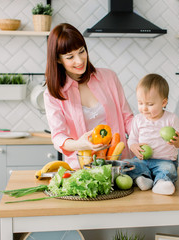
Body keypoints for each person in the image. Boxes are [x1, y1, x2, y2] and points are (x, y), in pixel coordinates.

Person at [44, 23, 134, 170]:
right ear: (58, 59)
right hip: (82, 168)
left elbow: (127, 118)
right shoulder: (53, 93)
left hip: (119, 165)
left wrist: (144, 136)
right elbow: (58, 136)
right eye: (70, 57)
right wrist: (82, 144)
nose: (79, 61)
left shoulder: (109, 77)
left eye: (81, 51)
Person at [127, 73, 179, 195]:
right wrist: (133, 146)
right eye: (140, 103)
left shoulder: (171, 119)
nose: (144, 108)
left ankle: (161, 183)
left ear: (163, 102)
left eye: (150, 104)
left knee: (168, 169)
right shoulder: (138, 119)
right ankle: (145, 179)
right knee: (130, 165)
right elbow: (132, 139)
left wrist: (178, 142)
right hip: (143, 160)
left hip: (165, 161)